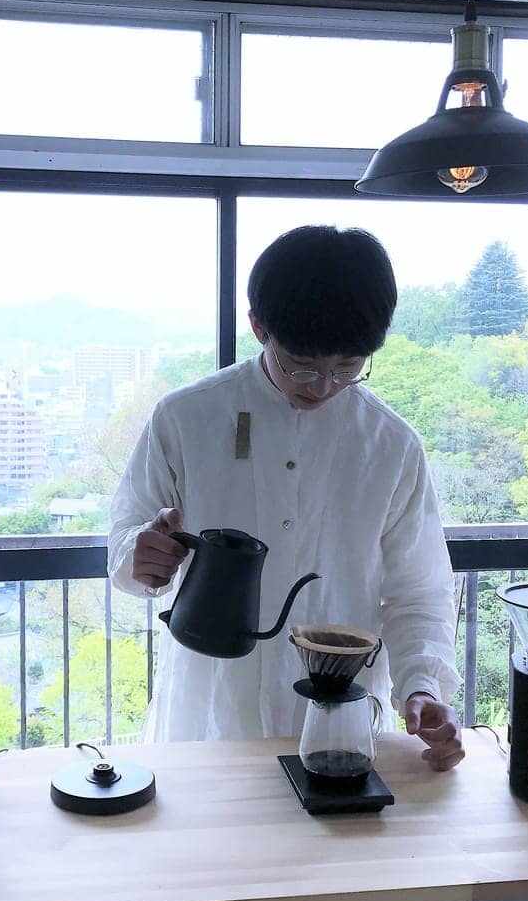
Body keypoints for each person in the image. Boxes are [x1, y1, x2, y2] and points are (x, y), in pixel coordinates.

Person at [107, 225, 464, 771]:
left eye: (347, 366)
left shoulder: (391, 444)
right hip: (211, 703)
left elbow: (418, 592)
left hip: (340, 715)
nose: (322, 385)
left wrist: (421, 685)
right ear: (258, 326)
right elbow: (126, 540)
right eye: (302, 363)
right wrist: (141, 556)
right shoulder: (187, 417)